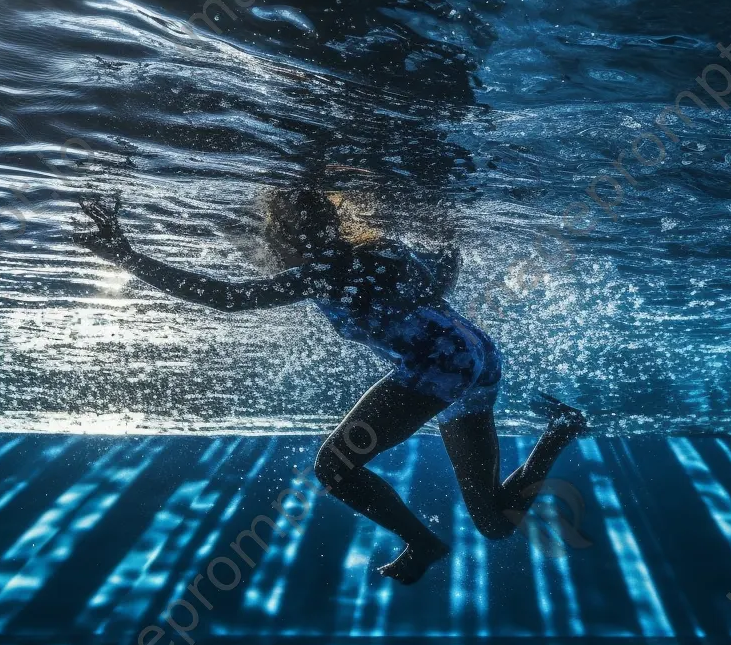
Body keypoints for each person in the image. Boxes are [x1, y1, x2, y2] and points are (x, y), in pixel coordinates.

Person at [75, 189, 586, 584]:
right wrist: (447, 235)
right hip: (476, 354)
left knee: (334, 467)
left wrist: (127, 256)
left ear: (287, 233)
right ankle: (559, 431)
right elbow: (439, 283)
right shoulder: (381, 249)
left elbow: (227, 298)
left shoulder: (322, 270)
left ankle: (423, 544)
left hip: (440, 367)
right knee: (494, 524)